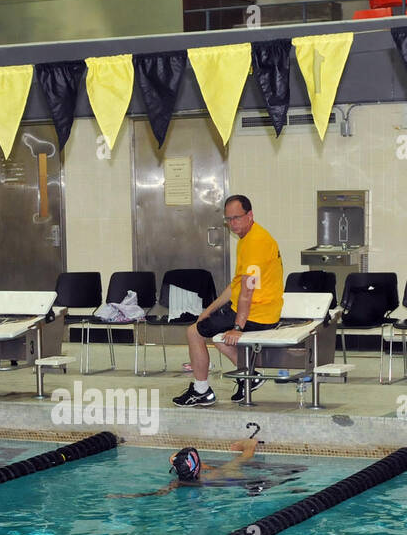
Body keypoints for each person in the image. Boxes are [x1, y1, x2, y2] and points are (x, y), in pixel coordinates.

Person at [173, 195, 283, 406]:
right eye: (228, 219)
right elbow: (236, 287)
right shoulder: (248, 238)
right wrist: (209, 310)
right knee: (217, 337)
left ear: (250, 215)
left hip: (258, 313)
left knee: (193, 333)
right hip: (259, 310)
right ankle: (249, 376)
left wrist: (237, 327)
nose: (232, 224)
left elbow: (247, 292)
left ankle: (201, 390)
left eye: (237, 218)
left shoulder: (256, 243)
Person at [109, 439, 263, 497]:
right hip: (233, 479)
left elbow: (153, 494)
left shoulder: (176, 483)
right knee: (240, 459)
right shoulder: (218, 473)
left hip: (203, 481)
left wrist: (124, 496)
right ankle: (248, 443)